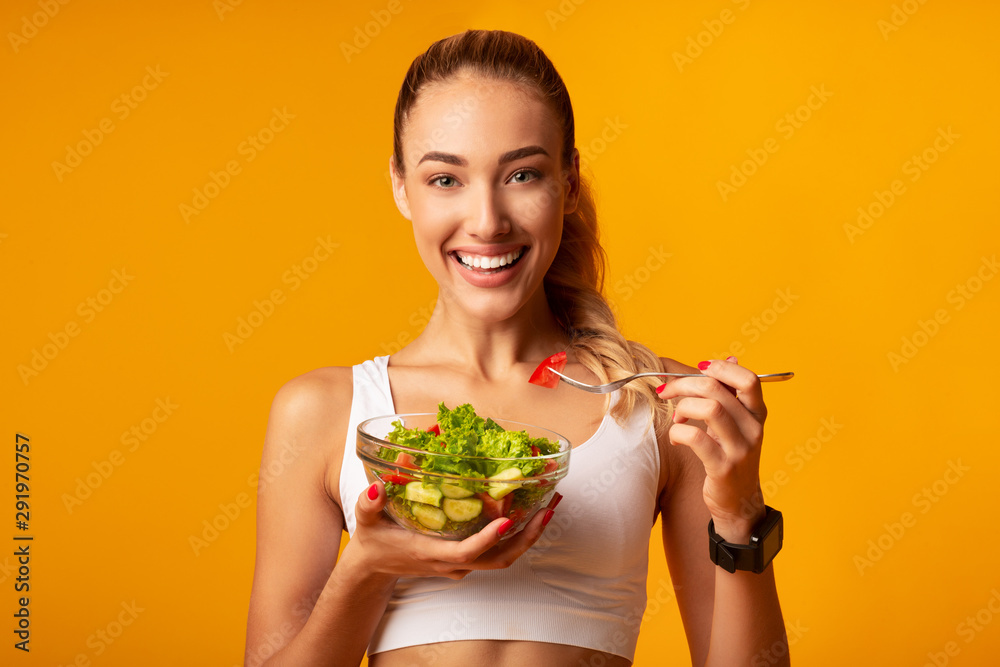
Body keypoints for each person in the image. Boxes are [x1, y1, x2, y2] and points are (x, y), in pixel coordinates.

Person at [244, 29, 789, 667]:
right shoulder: (324, 412)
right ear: (400, 187)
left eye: (522, 174)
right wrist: (365, 568)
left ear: (569, 182)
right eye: (445, 178)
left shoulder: (658, 406)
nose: (486, 220)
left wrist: (739, 513)